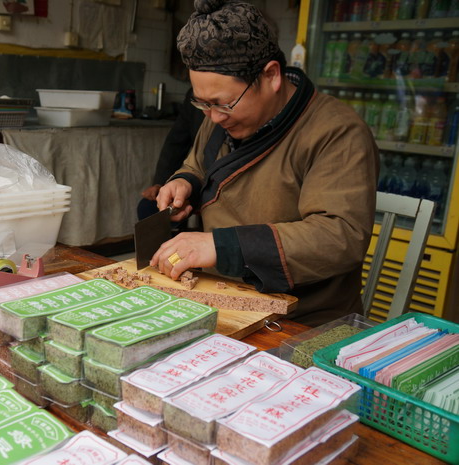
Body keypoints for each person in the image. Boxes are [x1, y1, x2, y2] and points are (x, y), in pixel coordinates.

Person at [150, 0, 379, 326]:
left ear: (271, 75)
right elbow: (199, 164)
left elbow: (339, 236)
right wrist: (185, 182)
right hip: (222, 295)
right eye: (203, 103)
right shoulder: (218, 115)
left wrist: (221, 245)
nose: (214, 117)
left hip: (304, 318)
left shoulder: (336, 132)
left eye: (222, 104)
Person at [137, 88, 205, 221]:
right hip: (199, 180)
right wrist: (161, 183)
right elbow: (176, 143)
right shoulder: (194, 95)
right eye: (202, 103)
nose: (212, 114)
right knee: (149, 208)